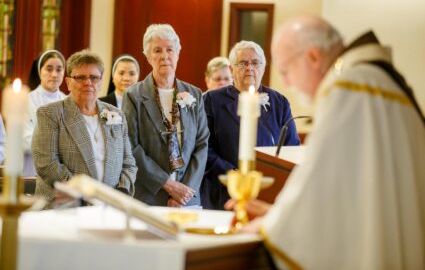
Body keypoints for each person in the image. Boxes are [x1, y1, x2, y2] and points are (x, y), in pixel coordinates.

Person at [226, 15, 425, 269]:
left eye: (286, 70)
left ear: (313, 57)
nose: (286, 82)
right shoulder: (377, 82)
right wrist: (277, 214)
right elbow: (355, 197)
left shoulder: (348, 88)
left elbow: (322, 186)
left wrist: (270, 225)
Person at [201, 40, 300, 210]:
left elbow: (291, 148)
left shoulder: (280, 102)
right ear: (232, 69)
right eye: (243, 63)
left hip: (267, 192)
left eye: (255, 63)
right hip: (223, 191)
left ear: (263, 67)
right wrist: (234, 175)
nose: (250, 68)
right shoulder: (211, 100)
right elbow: (204, 147)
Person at [32, 49, 137, 208]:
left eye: (94, 77)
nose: (88, 82)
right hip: (64, 207)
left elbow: (129, 163)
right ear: (68, 82)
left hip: (108, 209)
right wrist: (84, 194)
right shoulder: (50, 114)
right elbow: (47, 164)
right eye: (80, 77)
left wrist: (116, 195)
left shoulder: (116, 115)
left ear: (101, 82)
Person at [122, 24, 209, 207]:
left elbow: (202, 145)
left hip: (187, 198)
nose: (164, 56)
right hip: (149, 198)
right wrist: (169, 186)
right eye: (157, 50)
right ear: (147, 56)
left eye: (170, 49)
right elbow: (131, 147)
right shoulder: (133, 96)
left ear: (178, 53)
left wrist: (184, 192)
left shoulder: (195, 94)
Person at [24, 50, 67, 176]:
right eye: (49, 69)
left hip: (61, 172)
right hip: (31, 169)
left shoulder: (69, 103)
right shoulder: (26, 100)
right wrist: (59, 143)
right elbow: (25, 141)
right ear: (39, 71)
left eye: (59, 70)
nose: (54, 74)